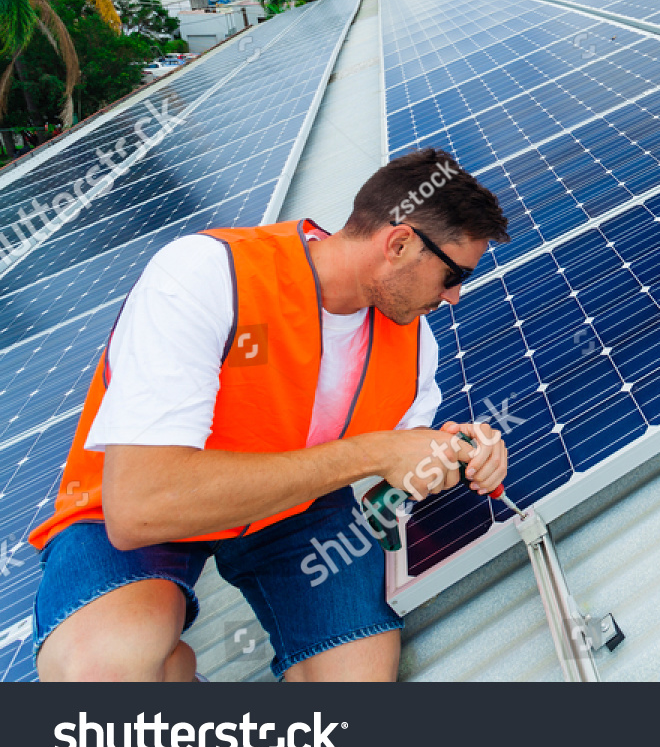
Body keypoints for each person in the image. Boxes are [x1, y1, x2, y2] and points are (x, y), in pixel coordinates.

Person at [27, 147, 511, 681]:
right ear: (398, 244)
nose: (455, 297)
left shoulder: (413, 344)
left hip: (290, 510)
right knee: (101, 674)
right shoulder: (207, 273)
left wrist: (453, 452)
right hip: (135, 507)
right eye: (452, 275)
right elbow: (140, 508)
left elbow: (391, 479)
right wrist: (373, 452)